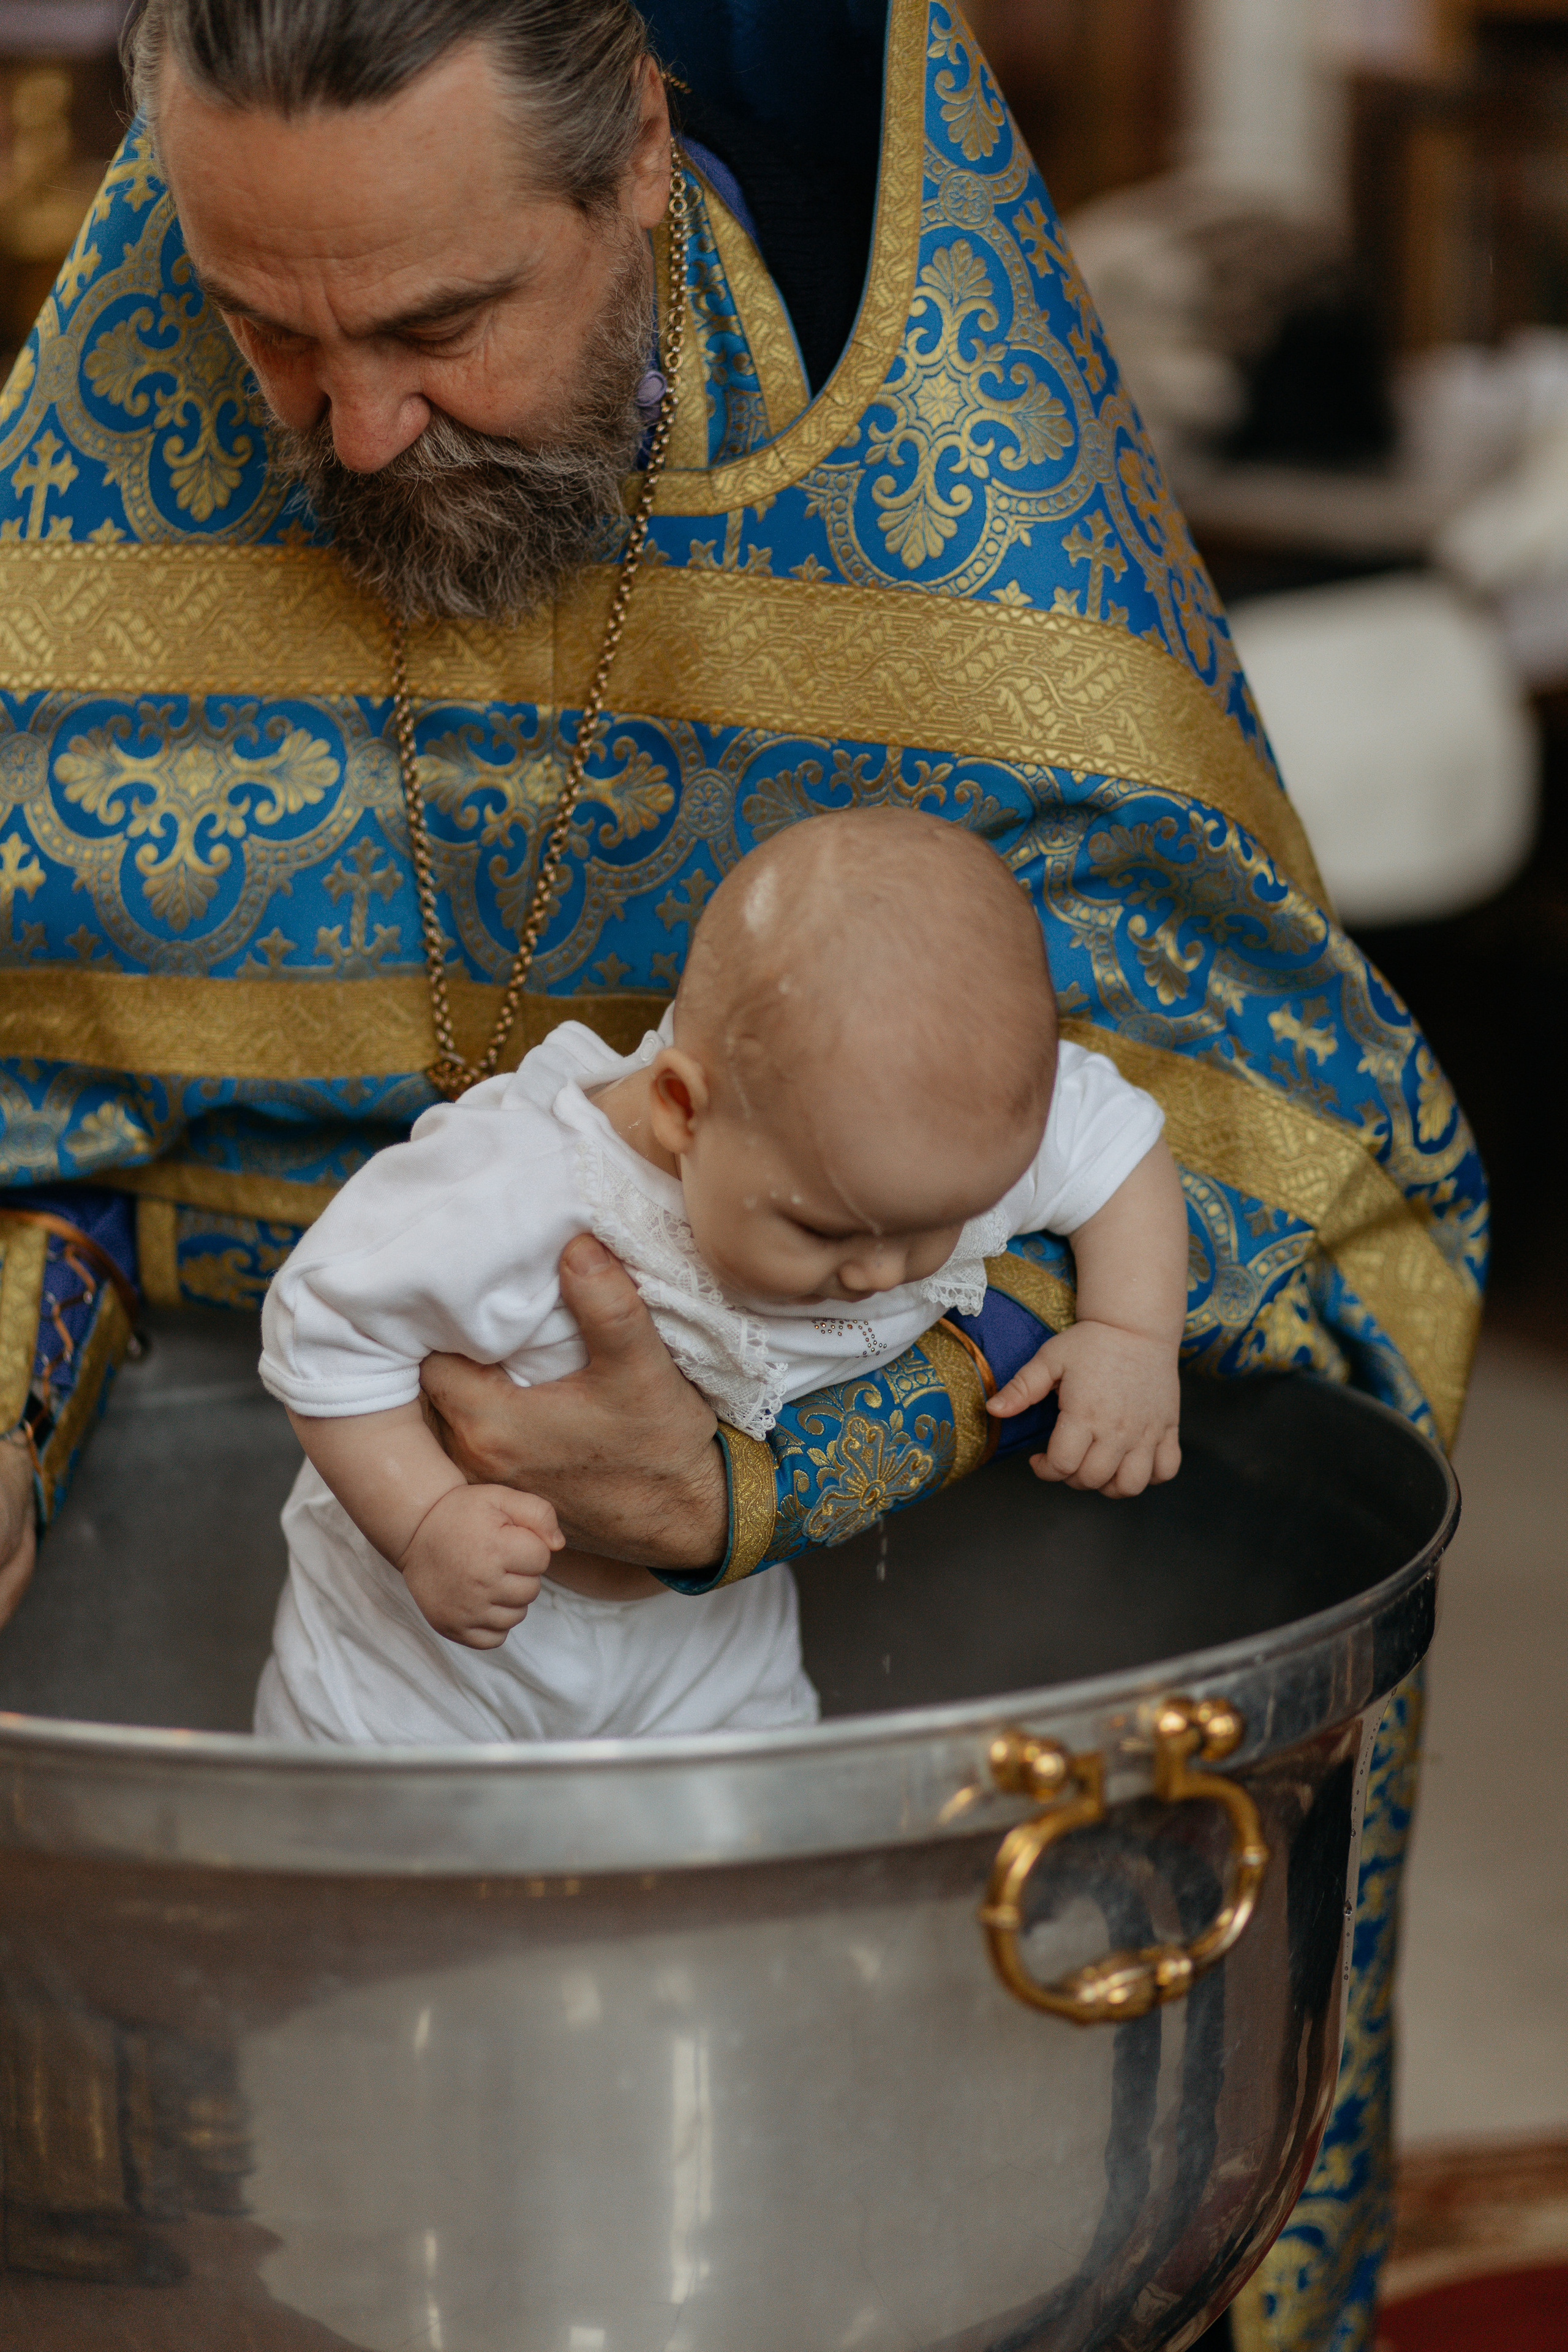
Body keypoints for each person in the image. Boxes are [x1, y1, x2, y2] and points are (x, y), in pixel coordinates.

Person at [0, 0, 1485, 2342]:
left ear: (645, 163)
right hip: (331, 1659)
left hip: (806, 1741)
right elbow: (33, 1088)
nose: (352, 432)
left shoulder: (953, 523)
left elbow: (1311, 1218)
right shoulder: (126, 448)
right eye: (257, 326)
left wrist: (746, 1490)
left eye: (438, 323)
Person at [254, 809, 1185, 1741]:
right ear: (679, 1109)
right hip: (423, 1649)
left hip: (704, 1630)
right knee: (381, 1853)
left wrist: (1132, 1335)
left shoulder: (947, 1130)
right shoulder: (519, 1193)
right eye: (823, 1229)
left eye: (938, 1227)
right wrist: (426, 1522)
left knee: (745, 1838)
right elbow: (324, 1328)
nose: (879, 1270)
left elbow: (1118, 1141)